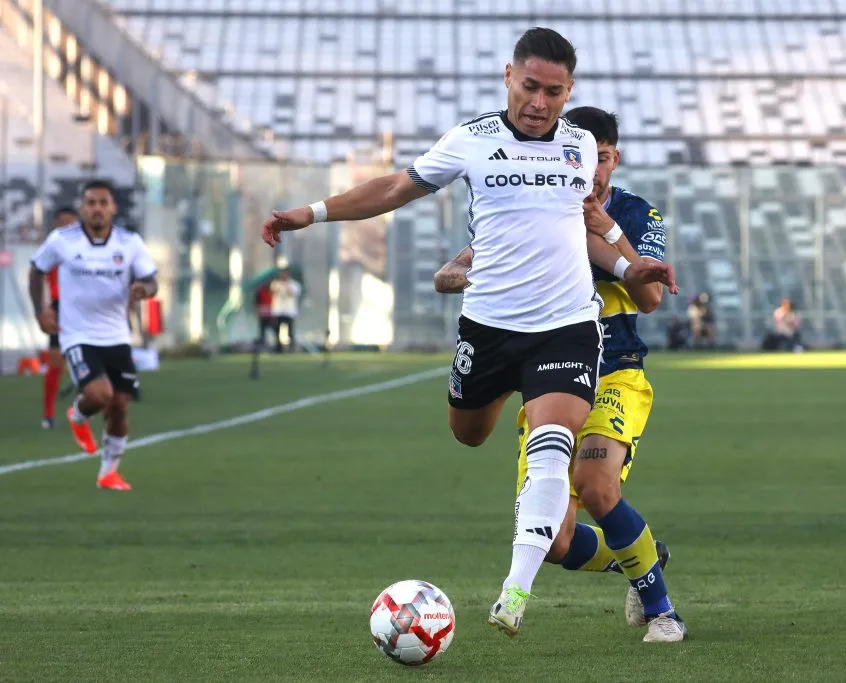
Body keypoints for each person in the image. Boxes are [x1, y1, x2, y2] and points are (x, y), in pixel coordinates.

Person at [259, 27, 676, 636]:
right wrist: (312, 214)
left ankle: (514, 593)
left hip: (566, 326)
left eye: (553, 91)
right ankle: (636, 559)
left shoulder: (580, 146)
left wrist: (625, 263)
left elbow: (577, 226)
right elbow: (396, 188)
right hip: (489, 327)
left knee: (552, 451)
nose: (539, 102)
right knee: (469, 433)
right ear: (509, 76)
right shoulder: (471, 141)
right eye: (530, 86)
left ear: (569, 91)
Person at [434, 106, 686, 642]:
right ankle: (640, 560)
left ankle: (663, 612)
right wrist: (460, 274)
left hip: (614, 374)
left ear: (613, 157)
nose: (590, 168)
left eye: (602, 157)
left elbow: (650, 298)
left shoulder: (640, 215)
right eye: (581, 154)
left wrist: (610, 229)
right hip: (544, 378)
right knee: (554, 541)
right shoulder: (539, 203)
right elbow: (457, 267)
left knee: (597, 485)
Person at [28, 179, 159, 490]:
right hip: (77, 334)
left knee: (120, 406)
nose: (97, 209)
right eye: (91, 203)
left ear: (112, 208)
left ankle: (108, 472)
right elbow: (36, 269)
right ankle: (77, 413)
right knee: (101, 395)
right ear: (82, 208)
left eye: (103, 203)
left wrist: (144, 289)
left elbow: (151, 279)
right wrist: (40, 309)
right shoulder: (63, 239)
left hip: (117, 335)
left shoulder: (129, 243)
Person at [40, 206, 80, 429]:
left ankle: (86, 409)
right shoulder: (51, 249)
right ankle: (48, 414)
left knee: (91, 358)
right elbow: (37, 275)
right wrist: (43, 307)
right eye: (63, 223)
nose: (67, 227)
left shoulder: (89, 249)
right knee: (55, 361)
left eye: (71, 223)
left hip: (83, 308)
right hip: (59, 307)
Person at [270, 269, 302, 353]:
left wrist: (286, 285)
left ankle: (291, 348)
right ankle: (278, 349)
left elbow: (292, 293)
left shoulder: (294, 284)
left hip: (289, 311)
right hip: (278, 311)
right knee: (277, 331)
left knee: (290, 331)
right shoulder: (276, 283)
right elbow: (273, 291)